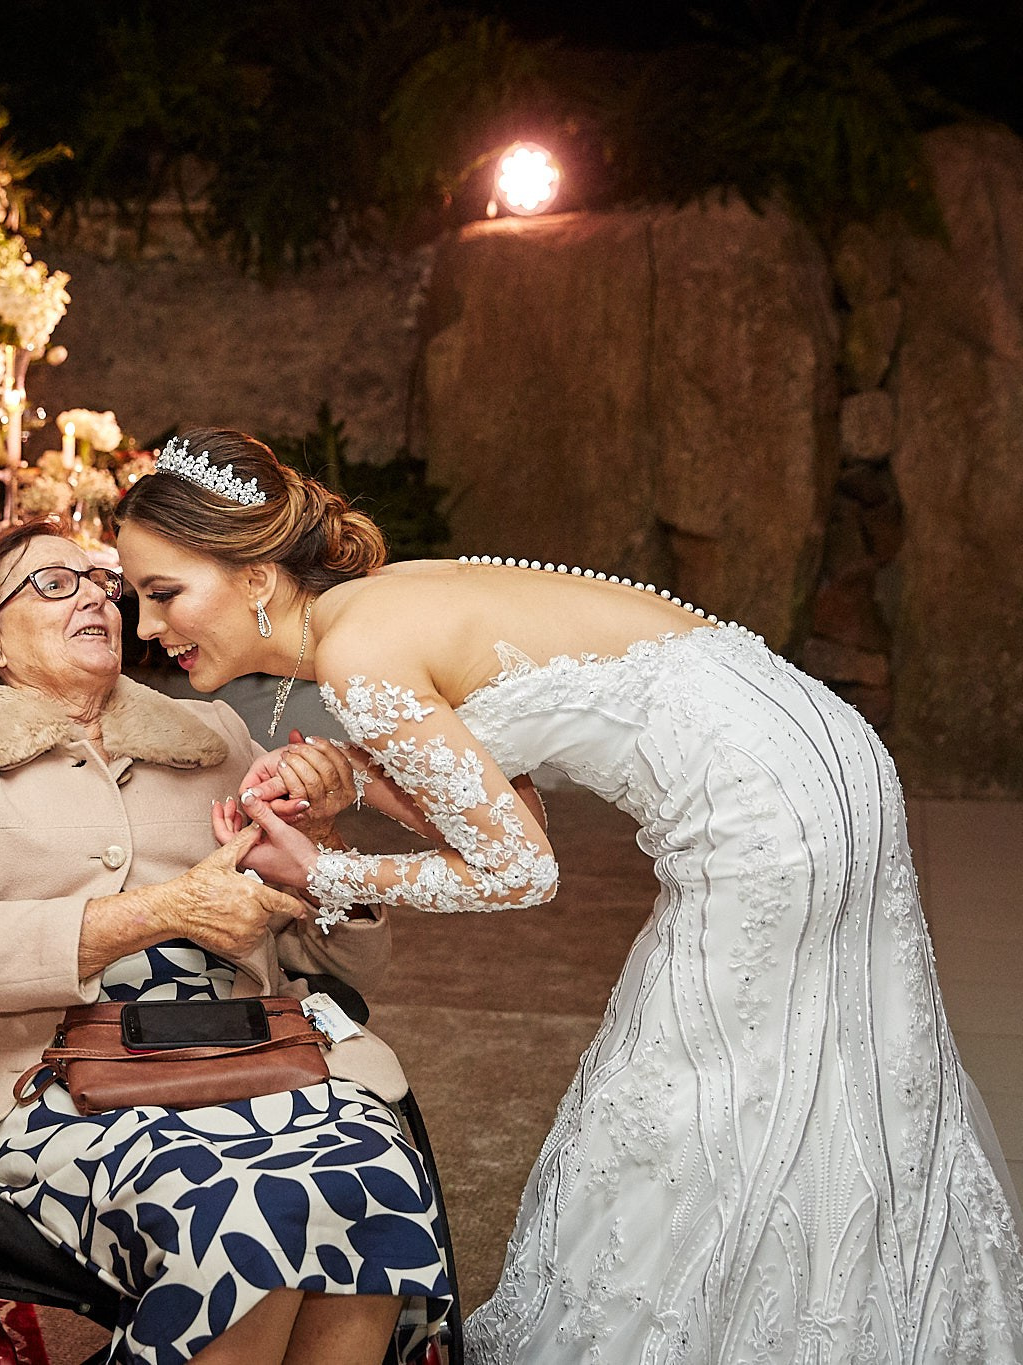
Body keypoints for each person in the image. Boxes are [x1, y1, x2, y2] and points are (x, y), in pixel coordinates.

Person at [112, 426, 1023, 1363]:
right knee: (819, 1058)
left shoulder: (362, 648)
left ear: (256, 575)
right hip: (824, 753)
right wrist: (359, 779)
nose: (147, 629)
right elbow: (511, 808)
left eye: (164, 593)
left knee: (699, 1076)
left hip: (763, 808)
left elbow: (520, 870)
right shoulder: (370, 612)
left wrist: (323, 874)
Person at [0, 519, 454, 1365]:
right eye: (52, 582)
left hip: (253, 1050)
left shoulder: (215, 736)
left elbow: (348, 969)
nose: (92, 594)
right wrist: (168, 910)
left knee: (373, 1176)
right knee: (239, 1212)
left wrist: (322, 852)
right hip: (58, 1078)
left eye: (99, 579)